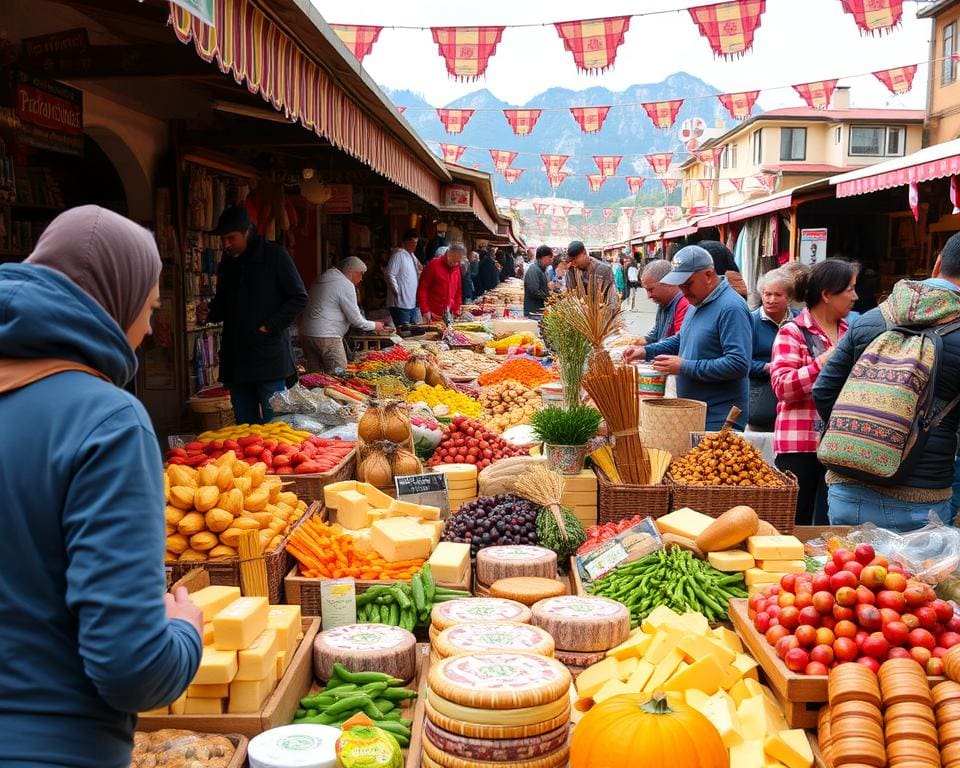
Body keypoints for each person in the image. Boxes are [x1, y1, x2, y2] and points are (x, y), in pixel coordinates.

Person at [0, 206, 203, 766]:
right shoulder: (107, 421)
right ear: (118, 301)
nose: (149, 331)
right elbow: (133, 668)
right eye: (151, 308)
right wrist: (185, 632)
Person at [814, 237, 960, 531]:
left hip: (847, 490)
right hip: (922, 498)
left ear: (938, 263)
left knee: (846, 576)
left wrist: (863, 438)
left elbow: (824, 390)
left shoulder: (872, 317)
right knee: (916, 578)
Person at [198, 206, 307, 424]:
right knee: (244, 429)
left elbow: (298, 297)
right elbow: (223, 303)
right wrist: (209, 312)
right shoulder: (228, 263)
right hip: (236, 361)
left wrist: (269, 326)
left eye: (231, 238)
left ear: (247, 231)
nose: (225, 244)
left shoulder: (275, 256)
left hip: (268, 359)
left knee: (275, 426)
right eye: (223, 239)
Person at [623, 245, 751, 430]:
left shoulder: (731, 307)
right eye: (680, 285)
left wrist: (684, 366)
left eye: (688, 284)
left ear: (708, 275)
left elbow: (738, 364)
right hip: (695, 411)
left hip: (720, 417)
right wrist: (645, 351)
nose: (684, 292)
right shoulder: (696, 303)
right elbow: (681, 338)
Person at [771, 259, 858, 525]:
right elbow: (782, 387)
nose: (856, 296)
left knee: (828, 522)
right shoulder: (793, 332)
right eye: (850, 289)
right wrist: (823, 362)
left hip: (839, 444)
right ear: (827, 294)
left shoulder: (849, 332)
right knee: (795, 521)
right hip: (800, 444)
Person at [300, 257, 385, 373]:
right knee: (339, 374)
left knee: (314, 377)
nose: (361, 279)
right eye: (361, 274)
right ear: (352, 272)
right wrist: (375, 325)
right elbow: (356, 320)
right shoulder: (345, 284)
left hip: (307, 334)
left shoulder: (323, 277)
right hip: (328, 336)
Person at [748, 269, 799, 433]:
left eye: (777, 295)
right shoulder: (750, 322)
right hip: (760, 396)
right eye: (767, 294)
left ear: (789, 297)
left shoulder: (800, 321)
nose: (771, 300)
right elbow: (740, 361)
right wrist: (767, 367)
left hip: (793, 394)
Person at [639, 259, 690, 344]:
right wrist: (633, 342)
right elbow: (655, 334)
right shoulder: (663, 302)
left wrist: (646, 351)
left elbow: (678, 344)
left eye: (651, 290)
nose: (649, 296)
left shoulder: (684, 304)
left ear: (668, 283)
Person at [384, 228, 422, 327]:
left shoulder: (412, 256)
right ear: (405, 242)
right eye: (412, 242)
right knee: (403, 330)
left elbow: (419, 269)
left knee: (412, 330)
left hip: (411, 301)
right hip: (400, 303)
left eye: (416, 242)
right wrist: (397, 291)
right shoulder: (398, 255)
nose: (414, 245)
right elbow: (389, 274)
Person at [418, 242, 464, 322]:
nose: (455, 264)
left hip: (449, 315)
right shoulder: (434, 264)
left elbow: (458, 291)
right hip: (432, 314)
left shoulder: (457, 268)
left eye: (457, 262)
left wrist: (456, 308)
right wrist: (425, 310)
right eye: (453, 261)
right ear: (448, 254)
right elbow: (422, 288)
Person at [524, 245, 554, 316]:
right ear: (542, 257)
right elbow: (533, 291)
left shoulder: (541, 270)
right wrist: (548, 296)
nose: (550, 260)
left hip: (537, 309)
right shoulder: (534, 270)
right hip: (533, 310)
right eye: (549, 257)